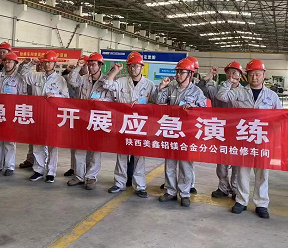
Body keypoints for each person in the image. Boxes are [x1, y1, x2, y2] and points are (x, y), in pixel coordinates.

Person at [217, 59, 283, 219]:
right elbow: (221, 96)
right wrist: (230, 81)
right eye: (251, 74)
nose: (255, 77)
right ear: (247, 76)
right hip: (244, 139)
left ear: (264, 75)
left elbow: (279, 116)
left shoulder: (272, 96)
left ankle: (261, 204)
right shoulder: (239, 92)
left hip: (263, 140)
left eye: (258, 74)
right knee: (242, 172)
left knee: (262, 173)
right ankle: (241, 201)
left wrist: (287, 117)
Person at [154, 58, 207, 207]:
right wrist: (161, 87)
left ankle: (184, 193)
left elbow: (204, 111)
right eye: (177, 72)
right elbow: (158, 102)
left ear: (190, 74)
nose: (178, 75)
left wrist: (193, 109)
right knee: (170, 162)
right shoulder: (171, 87)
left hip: (187, 133)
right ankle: (170, 191)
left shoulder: (197, 92)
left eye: (181, 72)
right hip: (171, 130)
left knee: (185, 164)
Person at [104, 52, 155, 198]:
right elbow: (107, 84)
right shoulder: (121, 81)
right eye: (131, 66)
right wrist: (115, 71)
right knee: (121, 154)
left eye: (136, 66)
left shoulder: (149, 85)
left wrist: (142, 104)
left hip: (140, 126)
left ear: (142, 67)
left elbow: (155, 104)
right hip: (123, 124)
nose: (133, 69)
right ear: (127, 67)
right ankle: (119, 183)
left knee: (139, 156)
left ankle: (140, 186)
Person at [66, 52, 115, 190]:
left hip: (98, 119)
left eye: (94, 64)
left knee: (95, 150)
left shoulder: (106, 81)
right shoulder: (83, 79)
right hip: (83, 118)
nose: (91, 67)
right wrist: (78, 66)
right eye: (90, 64)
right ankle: (79, 176)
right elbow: (72, 81)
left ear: (100, 66)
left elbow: (112, 99)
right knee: (79, 148)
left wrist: (101, 101)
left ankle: (91, 177)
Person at [20, 51, 69, 183]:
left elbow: (66, 98)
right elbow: (23, 75)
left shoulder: (60, 80)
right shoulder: (36, 76)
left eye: (50, 62)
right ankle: (38, 170)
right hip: (38, 115)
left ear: (54, 64)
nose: (47, 64)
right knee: (38, 143)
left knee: (53, 145)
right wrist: (30, 63)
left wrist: (55, 96)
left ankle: (51, 172)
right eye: (45, 62)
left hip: (53, 116)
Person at [209, 61, 243, 199]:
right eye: (229, 72)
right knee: (221, 162)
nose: (231, 75)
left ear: (240, 75)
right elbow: (215, 94)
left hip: (238, 131)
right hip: (221, 130)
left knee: (236, 163)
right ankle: (223, 188)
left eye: (235, 72)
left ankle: (235, 189)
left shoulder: (244, 92)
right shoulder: (219, 89)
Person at [63, 55, 88, 177]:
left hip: (91, 117)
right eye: (82, 65)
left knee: (88, 147)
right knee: (75, 144)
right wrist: (78, 67)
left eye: (85, 65)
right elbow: (71, 80)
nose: (84, 67)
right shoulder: (78, 78)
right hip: (76, 115)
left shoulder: (97, 80)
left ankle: (86, 171)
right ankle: (74, 168)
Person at [18, 61, 43, 171]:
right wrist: (30, 63)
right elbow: (23, 74)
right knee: (32, 138)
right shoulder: (33, 77)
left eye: (43, 64)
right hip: (32, 111)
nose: (40, 66)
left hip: (46, 113)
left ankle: (40, 164)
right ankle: (31, 159)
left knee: (42, 141)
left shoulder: (56, 79)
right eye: (39, 64)